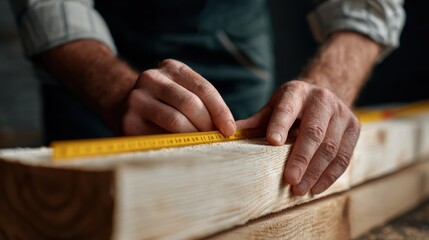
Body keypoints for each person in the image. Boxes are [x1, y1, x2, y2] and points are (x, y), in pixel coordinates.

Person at [8, 0, 405, 196]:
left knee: (253, 192)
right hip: (88, 65)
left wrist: (329, 90)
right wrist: (112, 91)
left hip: (232, 49)